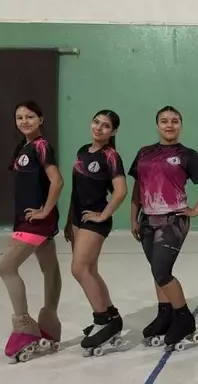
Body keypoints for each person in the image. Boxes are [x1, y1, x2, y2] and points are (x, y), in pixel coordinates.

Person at [128, 106, 198, 352]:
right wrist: (134, 218)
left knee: (162, 270)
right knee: (156, 272)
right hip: (147, 219)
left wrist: (196, 210)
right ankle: (165, 314)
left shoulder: (187, 155)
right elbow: (138, 187)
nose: (169, 125)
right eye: (164, 121)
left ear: (180, 125)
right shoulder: (144, 153)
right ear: (157, 125)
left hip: (173, 220)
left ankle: (184, 318)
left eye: (174, 121)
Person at [0, 101, 63, 363]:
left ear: (41, 119)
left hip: (36, 220)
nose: (24, 121)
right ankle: (50, 322)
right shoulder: (23, 147)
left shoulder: (41, 146)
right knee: (49, 268)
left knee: (6, 267)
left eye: (30, 116)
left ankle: (23, 325)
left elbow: (57, 181)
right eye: (20, 117)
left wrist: (45, 210)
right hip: (25, 218)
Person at [64, 110, 127, 356]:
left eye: (105, 125)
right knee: (89, 270)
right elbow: (76, 190)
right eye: (96, 122)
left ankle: (102, 320)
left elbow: (121, 191)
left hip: (95, 220)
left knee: (79, 269)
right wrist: (70, 220)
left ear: (113, 131)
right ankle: (112, 315)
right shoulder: (82, 151)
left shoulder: (110, 156)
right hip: (78, 219)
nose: (99, 128)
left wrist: (103, 215)